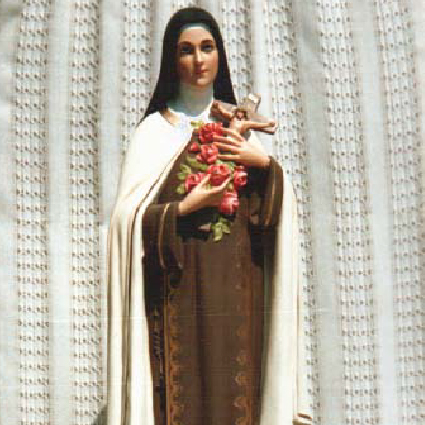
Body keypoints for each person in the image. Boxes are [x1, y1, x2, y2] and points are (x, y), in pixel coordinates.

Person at [107, 7, 312, 425]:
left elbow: (271, 218)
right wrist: (186, 207)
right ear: (172, 60)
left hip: (238, 290)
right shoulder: (153, 134)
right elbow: (127, 223)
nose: (199, 60)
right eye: (186, 50)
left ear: (220, 55)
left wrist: (264, 166)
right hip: (177, 295)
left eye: (207, 48)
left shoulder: (237, 126)